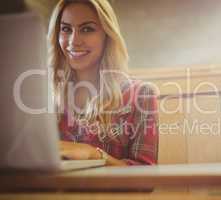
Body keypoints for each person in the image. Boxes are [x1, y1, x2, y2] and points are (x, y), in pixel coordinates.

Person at [47, 0, 159, 166]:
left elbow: (146, 179)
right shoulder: (45, 95)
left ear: (107, 34)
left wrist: (95, 155)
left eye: (87, 29)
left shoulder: (140, 94)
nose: (73, 41)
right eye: (66, 29)